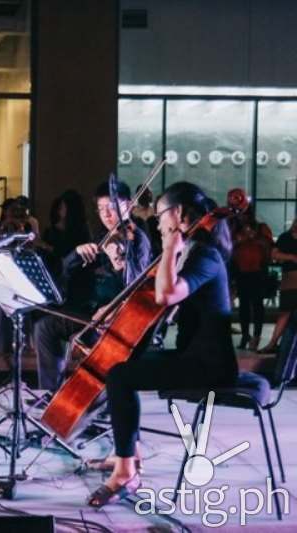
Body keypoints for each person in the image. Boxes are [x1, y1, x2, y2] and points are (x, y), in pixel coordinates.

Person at [87, 181, 237, 507]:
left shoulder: (205, 255)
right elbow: (162, 304)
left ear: (179, 214)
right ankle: (128, 454)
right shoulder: (195, 252)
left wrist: (170, 246)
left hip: (209, 366)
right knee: (124, 369)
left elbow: (167, 294)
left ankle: (127, 469)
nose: (156, 223)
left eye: (160, 216)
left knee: (120, 377)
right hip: (195, 357)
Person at [33, 180, 152, 391]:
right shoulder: (101, 237)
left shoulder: (138, 239)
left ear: (128, 206)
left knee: (91, 338)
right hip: (93, 312)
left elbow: (136, 289)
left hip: (119, 319)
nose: (106, 214)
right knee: (44, 327)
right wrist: (76, 254)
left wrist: (118, 264)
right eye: (101, 209)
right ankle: (50, 393)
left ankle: (96, 397)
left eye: (112, 208)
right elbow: (64, 272)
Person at [227, 188, 272, 351]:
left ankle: (256, 336)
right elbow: (227, 246)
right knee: (244, 305)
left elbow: (268, 247)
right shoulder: (231, 224)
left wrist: (254, 237)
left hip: (257, 270)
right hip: (241, 270)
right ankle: (246, 334)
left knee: (257, 305)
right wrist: (239, 239)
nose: (240, 214)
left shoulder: (260, 226)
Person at [259, 219, 297, 353]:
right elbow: (274, 254)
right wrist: (291, 257)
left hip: (290, 280)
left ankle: (274, 344)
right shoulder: (285, 237)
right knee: (285, 313)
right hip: (289, 281)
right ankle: (273, 344)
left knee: (285, 314)